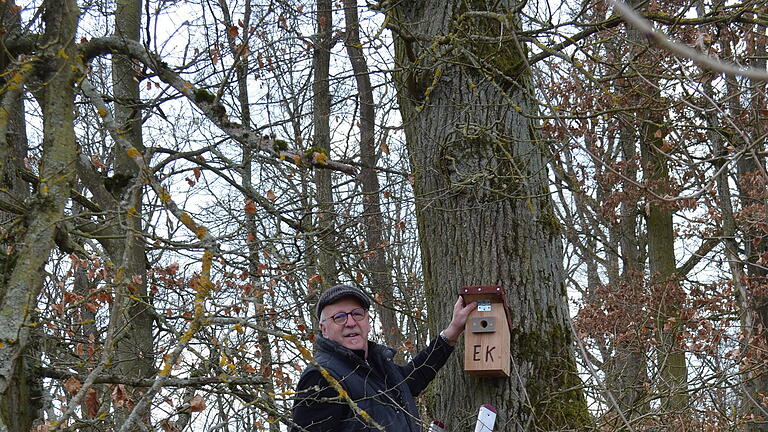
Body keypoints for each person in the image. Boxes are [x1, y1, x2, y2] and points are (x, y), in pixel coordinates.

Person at [290, 284, 476, 431]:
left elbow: (413, 378)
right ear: (324, 329)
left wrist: (452, 332)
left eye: (357, 314)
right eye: (339, 317)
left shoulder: (377, 367)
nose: (351, 322)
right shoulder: (322, 377)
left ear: (368, 322)